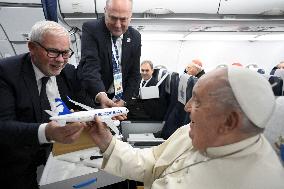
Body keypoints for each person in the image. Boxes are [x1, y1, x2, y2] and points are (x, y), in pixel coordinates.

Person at [88, 66, 284, 189]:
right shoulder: (190, 131)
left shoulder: (262, 181)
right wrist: (108, 143)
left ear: (229, 122)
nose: (187, 107)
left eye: (197, 101)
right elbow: (151, 162)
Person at [0, 21, 95, 189]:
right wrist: (47, 132)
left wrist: (99, 109)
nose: (60, 60)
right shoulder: (6, 72)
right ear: (32, 47)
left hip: (60, 160)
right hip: (17, 166)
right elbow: (4, 127)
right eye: (53, 52)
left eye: (65, 53)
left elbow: (84, 102)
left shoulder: (68, 72)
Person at [78, 0, 141, 108]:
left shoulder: (135, 37)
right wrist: (101, 96)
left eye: (123, 19)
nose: (117, 25)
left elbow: (134, 74)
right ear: (105, 11)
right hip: (93, 96)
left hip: (118, 98)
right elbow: (90, 67)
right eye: (113, 18)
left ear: (130, 16)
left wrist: (124, 101)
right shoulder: (92, 29)